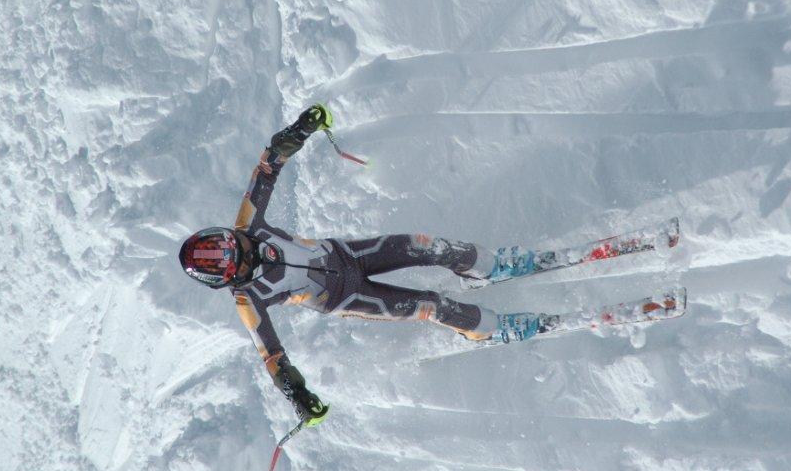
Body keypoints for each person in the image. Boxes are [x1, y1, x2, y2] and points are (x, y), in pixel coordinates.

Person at [178, 105, 542, 426]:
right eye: (238, 260)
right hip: (346, 296)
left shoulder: (249, 223)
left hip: (349, 254)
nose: (248, 250)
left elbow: (267, 167)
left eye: (235, 244)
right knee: (431, 305)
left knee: (427, 246)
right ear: (227, 278)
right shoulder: (248, 299)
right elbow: (271, 356)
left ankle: (488, 266)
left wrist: (299, 130)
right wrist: (297, 393)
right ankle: (490, 329)